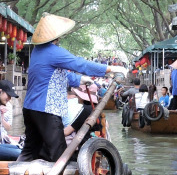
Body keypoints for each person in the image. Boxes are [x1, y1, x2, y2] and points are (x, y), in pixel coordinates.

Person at [19, 13, 125, 162]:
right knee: (57, 152)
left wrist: (81, 79)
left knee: (31, 149)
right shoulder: (53, 51)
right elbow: (80, 64)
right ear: (56, 37)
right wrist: (110, 68)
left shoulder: (37, 51)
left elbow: (58, 75)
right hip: (46, 109)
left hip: (30, 108)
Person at [0, 79, 20, 145]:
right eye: (8, 95)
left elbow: (8, 128)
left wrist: (1, 116)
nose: (9, 98)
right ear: (0, 91)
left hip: (3, 137)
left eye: (11, 96)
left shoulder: (9, 106)